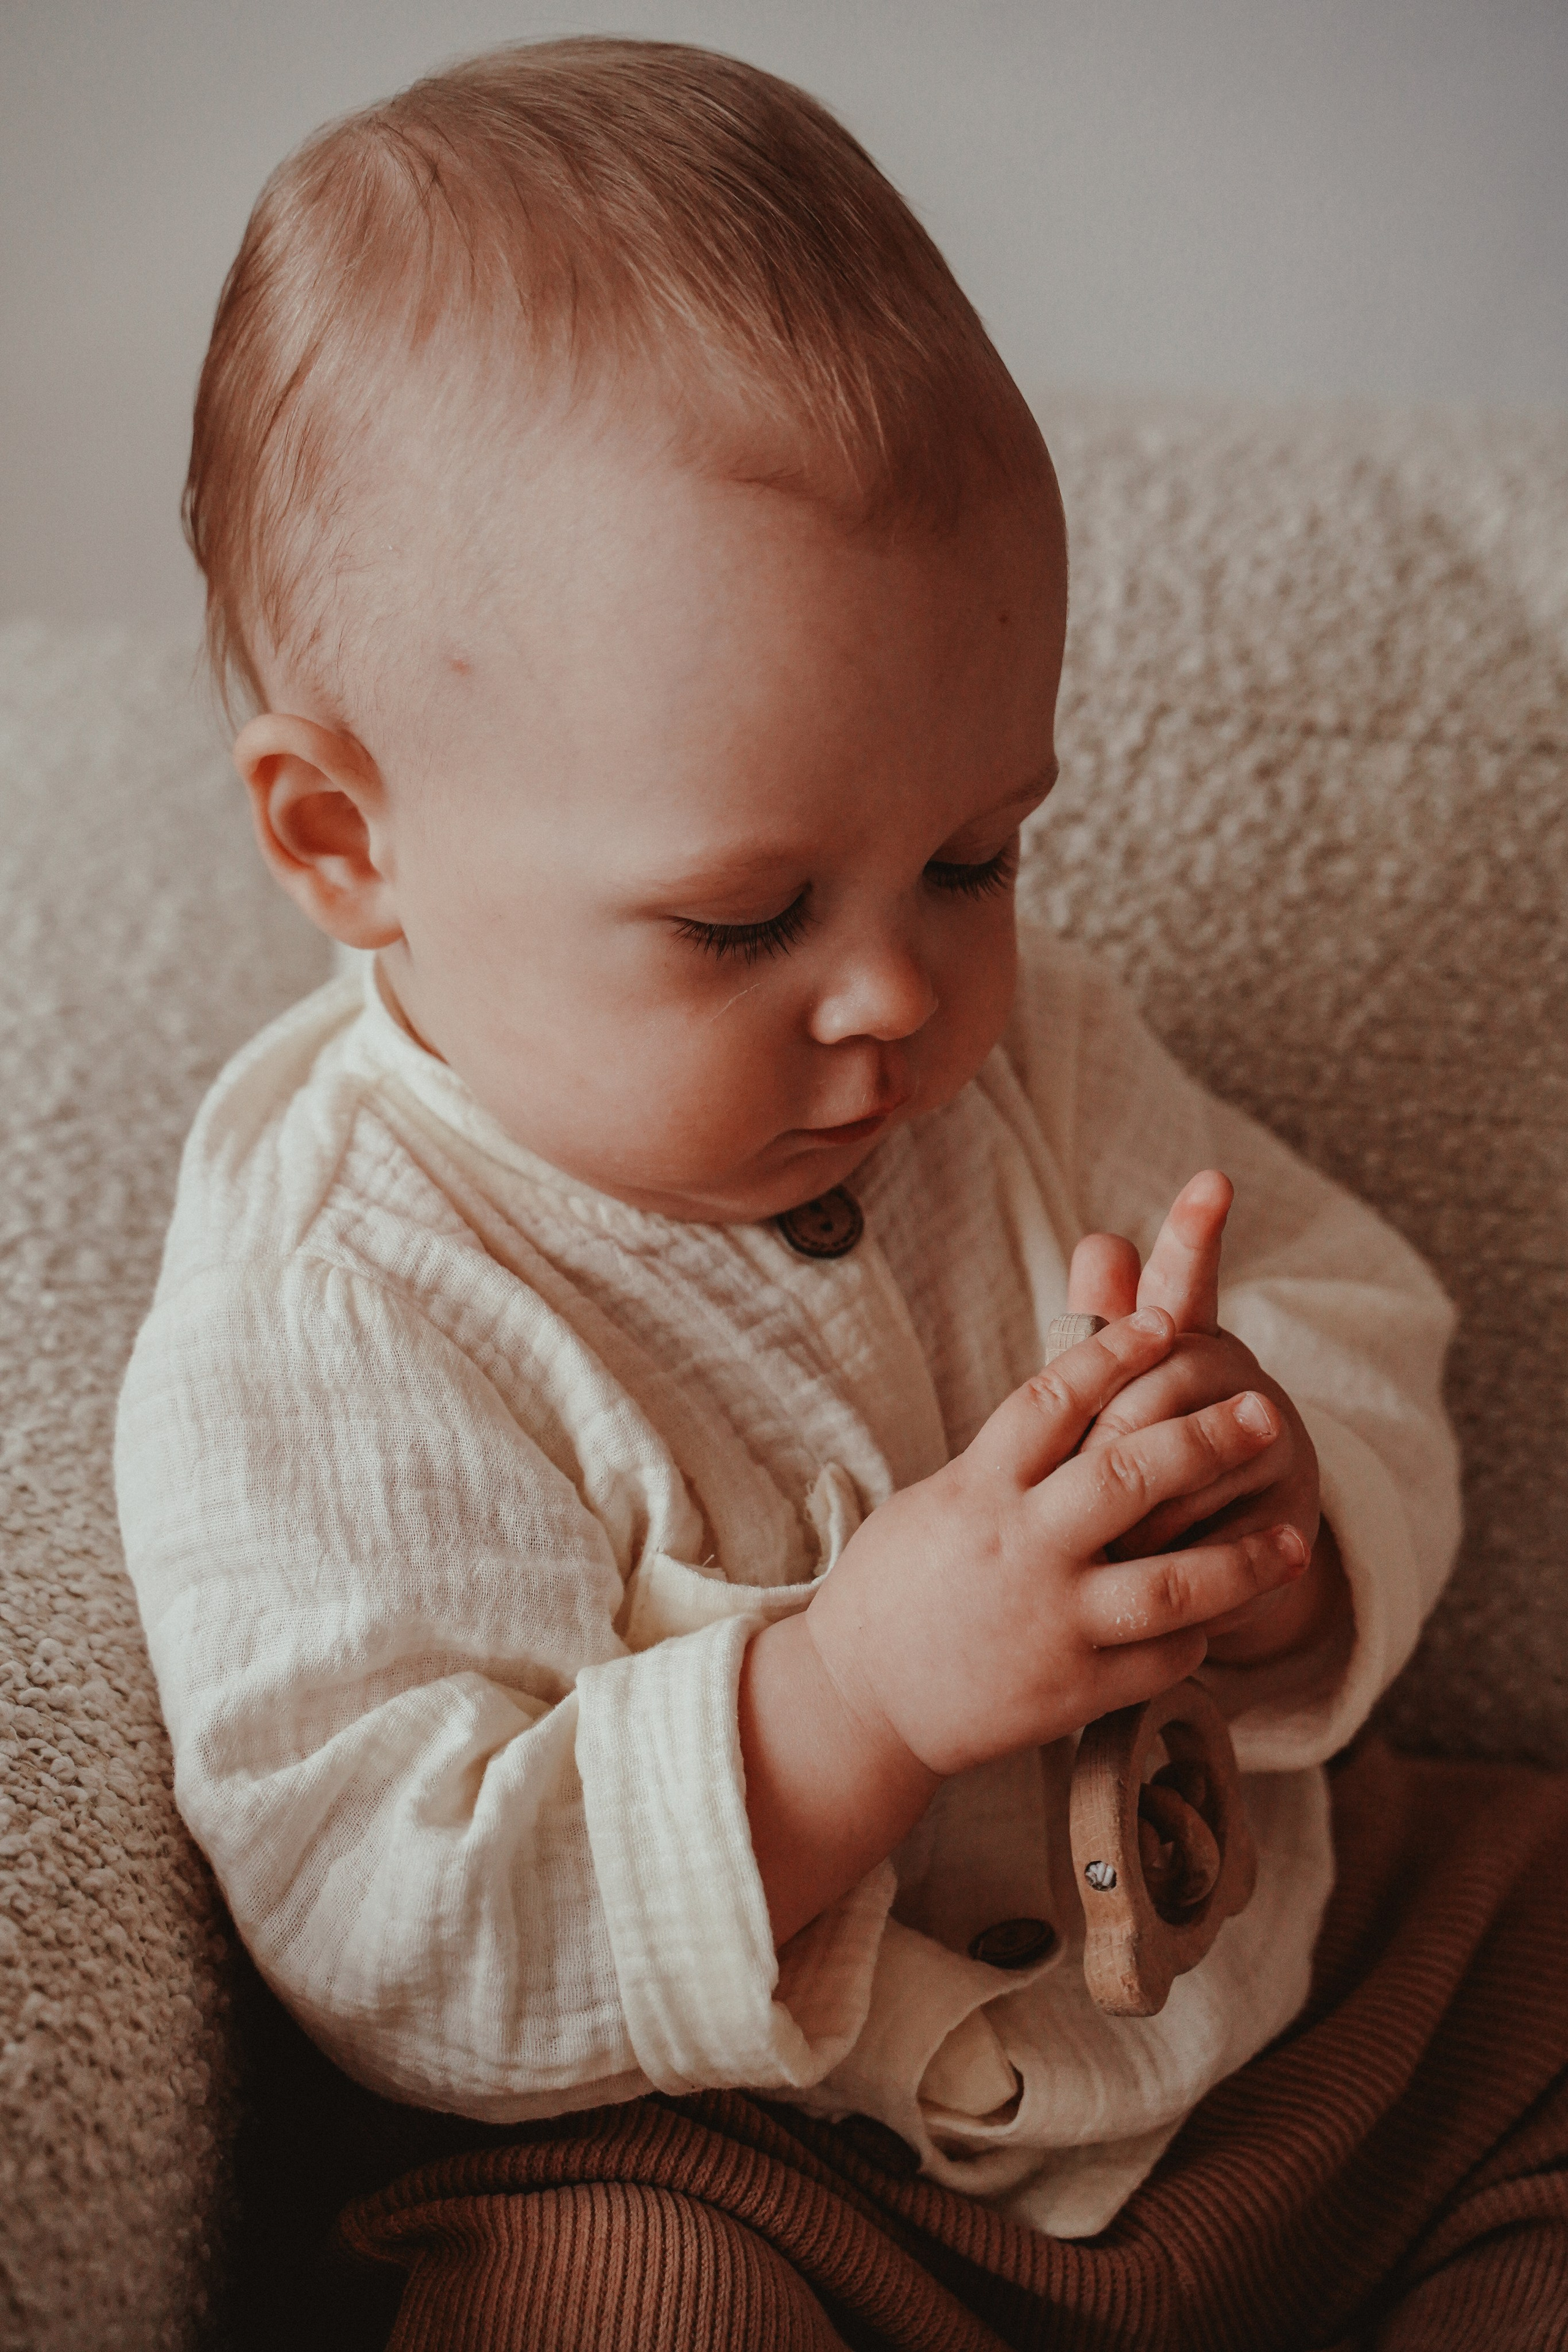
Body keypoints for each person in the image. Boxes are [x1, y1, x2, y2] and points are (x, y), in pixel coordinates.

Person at [115, 38, 1568, 2349]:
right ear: (345, 839)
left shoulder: (1041, 1054)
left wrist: (1279, 1510)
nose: (898, 993)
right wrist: (856, 1704)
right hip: (773, 2167)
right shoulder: (342, 1298)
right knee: (594, 2288)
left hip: (1293, 2023)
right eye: (742, 917)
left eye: (976, 856)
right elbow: (396, 1912)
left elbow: (1340, 1291)